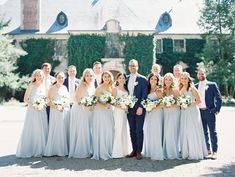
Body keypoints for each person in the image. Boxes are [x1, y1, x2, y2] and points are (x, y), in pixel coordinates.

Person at [16, 69, 48, 158]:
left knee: (41, 129)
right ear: (34, 76)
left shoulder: (43, 86)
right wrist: (34, 106)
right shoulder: (31, 85)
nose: (39, 77)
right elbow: (25, 99)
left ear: (43, 77)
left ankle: (41, 150)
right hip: (33, 111)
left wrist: (42, 104)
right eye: (37, 75)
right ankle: (32, 149)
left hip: (42, 111)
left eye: (41, 75)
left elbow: (46, 99)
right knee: (34, 129)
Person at [178, 72, 208, 160]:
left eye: (185, 78)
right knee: (185, 130)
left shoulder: (192, 88)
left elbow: (199, 101)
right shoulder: (180, 88)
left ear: (188, 79)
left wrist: (189, 104)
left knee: (192, 130)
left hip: (192, 111)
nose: (183, 80)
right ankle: (186, 151)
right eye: (182, 78)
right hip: (184, 112)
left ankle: (194, 152)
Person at [195, 68, 222, 160]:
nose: (201, 75)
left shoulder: (212, 85)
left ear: (205, 74)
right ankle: (207, 149)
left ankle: (215, 151)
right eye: (199, 74)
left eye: (202, 74)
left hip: (209, 111)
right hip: (199, 112)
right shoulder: (195, 86)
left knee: (212, 132)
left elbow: (219, 98)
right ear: (197, 75)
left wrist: (215, 110)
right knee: (203, 132)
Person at [69, 68, 95, 158]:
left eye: (91, 75)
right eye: (87, 75)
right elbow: (76, 99)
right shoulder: (82, 86)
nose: (89, 77)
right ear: (84, 77)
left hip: (89, 110)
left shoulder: (92, 85)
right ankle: (82, 151)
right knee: (82, 129)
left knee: (88, 129)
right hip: (81, 110)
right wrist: (86, 105)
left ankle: (89, 149)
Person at [126, 59, 148, 160]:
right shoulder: (126, 79)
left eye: (134, 66)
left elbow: (145, 94)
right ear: (128, 67)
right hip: (129, 109)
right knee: (131, 130)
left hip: (139, 108)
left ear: (137, 67)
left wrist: (141, 107)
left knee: (139, 130)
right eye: (131, 66)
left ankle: (139, 151)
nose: (132, 67)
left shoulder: (142, 79)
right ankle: (134, 150)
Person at [44, 72, 70, 157]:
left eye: (62, 77)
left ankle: (64, 149)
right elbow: (48, 101)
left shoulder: (64, 87)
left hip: (64, 111)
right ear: (56, 78)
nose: (61, 79)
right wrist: (57, 107)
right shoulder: (52, 88)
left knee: (64, 129)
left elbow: (67, 100)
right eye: (59, 77)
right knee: (57, 129)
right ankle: (56, 150)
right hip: (55, 112)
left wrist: (64, 105)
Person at [91, 71, 115, 160]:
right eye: (105, 77)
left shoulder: (112, 88)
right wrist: (104, 106)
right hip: (100, 111)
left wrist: (110, 104)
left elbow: (113, 99)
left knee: (109, 130)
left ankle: (109, 150)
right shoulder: (99, 88)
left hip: (109, 112)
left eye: (108, 77)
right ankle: (100, 151)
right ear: (102, 78)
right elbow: (94, 101)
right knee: (101, 130)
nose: (107, 78)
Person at [143, 73, 164, 160]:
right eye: (152, 79)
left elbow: (162, 103)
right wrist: (147, 106)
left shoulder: (158, 91)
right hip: (149, 113)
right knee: (149, 130)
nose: (153, 81)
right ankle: (150, 151)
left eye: (155, 79)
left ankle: (156, 151)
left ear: (158, 81)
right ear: (149, 80)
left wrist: (153, 107)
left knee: (156, 130)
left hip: (157, 113)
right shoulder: (147, 90)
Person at [162, 73, 180, 160]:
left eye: (170, 79)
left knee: (171, 131)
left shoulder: (175, 90)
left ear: (172, 81)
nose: (168, 81)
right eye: (166, 79)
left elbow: (179, 102)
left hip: (173, 112)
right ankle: (166, 150)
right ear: (164, 80)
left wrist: (170, 105)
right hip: (165, 112)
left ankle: (172, 153)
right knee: (165, 131)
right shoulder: (163, 90)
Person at [112, 73, 130, 158]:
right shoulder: (115, 89)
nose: (122, 79)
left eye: (123, 78)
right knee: (118, 130)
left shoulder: (127, 90)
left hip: (124, 113)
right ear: (117, 79)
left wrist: (126, 107)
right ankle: (117, 152)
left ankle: (124, 151)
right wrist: (121, 106)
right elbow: (112, 102)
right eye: (120, 78)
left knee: (124, 129)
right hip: (118, 112)